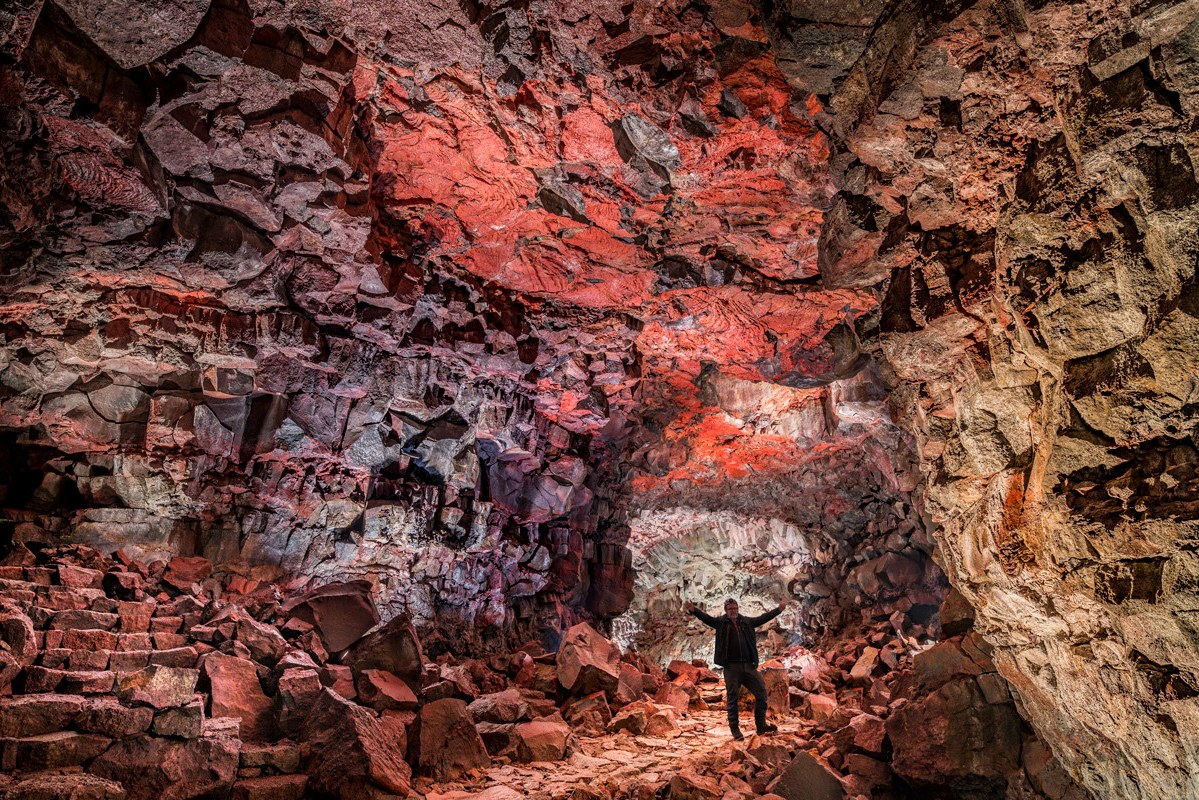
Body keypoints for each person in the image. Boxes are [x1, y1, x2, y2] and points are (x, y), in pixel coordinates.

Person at [684, 597, 786, 740]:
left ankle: (761, 725)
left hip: (748, 666)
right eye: (730, 609)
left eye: (735, 608)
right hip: (731, 667)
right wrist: (693, 610)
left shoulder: (746, 622)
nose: (733, 611)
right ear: (726, 610)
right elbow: (706, 618)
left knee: (762, 693)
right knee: (732, 698)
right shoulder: (721, 623)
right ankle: (735, 729)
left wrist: (778, 610)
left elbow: (763, 618)